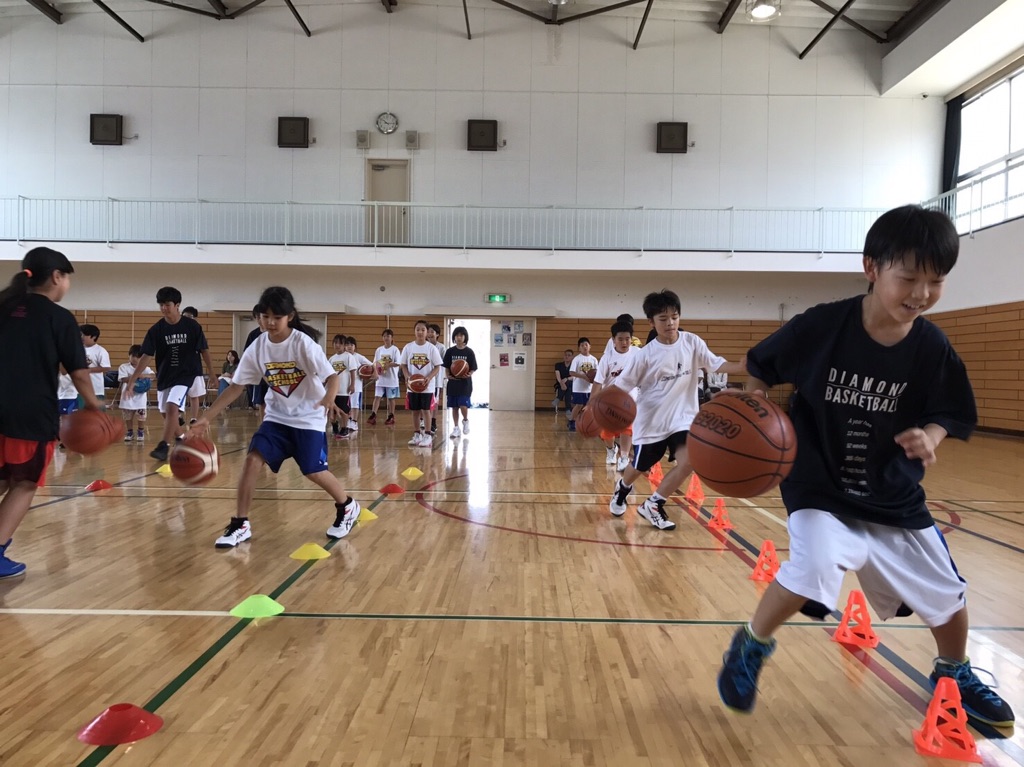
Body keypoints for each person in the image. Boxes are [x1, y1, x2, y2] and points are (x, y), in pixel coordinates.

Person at [716, 205, 1015, 728]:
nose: (922, 293)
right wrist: (756, 404)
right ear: (872, 268)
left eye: (936, 281)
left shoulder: (931, 347)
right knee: (811, 567)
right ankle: (751, 645)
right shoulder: (822, 326)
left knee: (947, 594)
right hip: (818, 484)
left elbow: (949, 410)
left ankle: (955, 671)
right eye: (909, 278)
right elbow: (761, 366)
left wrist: (931, 436)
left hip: (892, 491)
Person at [189, 286, 360, 548]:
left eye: (276, 317)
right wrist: (206, 417)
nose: (270, 322)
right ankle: (240, 523)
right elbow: (236, 386)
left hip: (308, 417)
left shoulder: (302, 343)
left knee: (313, 471)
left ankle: (347, 505)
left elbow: (331, 376)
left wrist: (329, 398)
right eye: (265, 316)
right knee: (252, 460)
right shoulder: (258, 347)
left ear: (289, 316)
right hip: (277, 418)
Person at [0, 247, 103, 579]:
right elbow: (78, 373)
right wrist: (95, 407)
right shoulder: (59, 318)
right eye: (67, 278)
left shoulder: (3, 306)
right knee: (24, 483)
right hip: (29, 413)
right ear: (57, 277)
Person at [607, 290, 745, 530]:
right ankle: (623, 487)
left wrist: (741, 366)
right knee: (639, 467)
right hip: (652, 421)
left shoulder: (692, 342)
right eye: (663, 318)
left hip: (683, 419)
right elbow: (621, 387)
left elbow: (715, 364)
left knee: (690, 462)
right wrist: (598, 408)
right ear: (651, 322)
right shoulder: (645, 356)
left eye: (674, 317)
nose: (670, 323)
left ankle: (653, 504)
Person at [126, 287, 212, 462]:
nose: (164, 308)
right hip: (166, 375)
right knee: (166, 414)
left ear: (177, 305)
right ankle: (182, 441)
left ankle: (163, 446)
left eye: (167, 304)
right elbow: (146, 356)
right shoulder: (156, 330)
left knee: (172, 407)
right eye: (161, 305)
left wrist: (212, 373)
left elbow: (204, 350)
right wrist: (132, 379)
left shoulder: (192, 326)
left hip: (186, 374)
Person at [592, 321, 638, 472]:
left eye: (627, 339)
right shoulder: (607, 358)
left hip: (629, 400)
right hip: (609, 400)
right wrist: (591, 405)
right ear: (613, 340)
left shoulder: (638, 354)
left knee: (627, 429)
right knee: (607, 433)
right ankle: (611, 449)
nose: (624, 342)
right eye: (620, 339)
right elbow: (598, 382)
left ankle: (624, 457)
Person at [400, 320, 443, 447]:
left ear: (427, 332)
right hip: (412, 386)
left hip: (427, 386)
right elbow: (403, 365)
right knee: (415, 411)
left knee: (426, 410)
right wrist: (407, 376)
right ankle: (417, 434)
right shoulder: (408, 347)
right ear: (414, 331)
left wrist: (429, 377)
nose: (420, 332)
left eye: (423, 330)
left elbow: (437, 366)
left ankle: (428, 435)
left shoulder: (431, 348)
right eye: (418, 329)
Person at [442, 326, 478, 437]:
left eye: (461, 335)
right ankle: (456, 428)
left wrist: (469, 374)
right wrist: (448, 375)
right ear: (454, 337)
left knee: (463, 405)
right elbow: (447, 366)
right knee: (454, 407)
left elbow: (473, 367)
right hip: (453, 383)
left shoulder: (469, 352)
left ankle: (465, 420)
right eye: (457, 335)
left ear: (465, 337)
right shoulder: (450, 351)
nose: (459, 337)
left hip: (465, 384)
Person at [181, 306, 213, 424]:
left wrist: (211, 371)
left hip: (194, 368)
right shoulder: (175, 330)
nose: (187, 319)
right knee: (179, 394)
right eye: (184, 317)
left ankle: (193, 418)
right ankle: (179, 415)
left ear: (194, 318)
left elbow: (204, 350)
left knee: (194, 395)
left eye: (190, 317)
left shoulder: (197, 331)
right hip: (178, 369)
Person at [118, 345, 154, 442]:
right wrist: (136, 377)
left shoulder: (145, 368)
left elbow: (153, 376)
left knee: (141, 416)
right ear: (129, 356)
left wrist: (144, 375)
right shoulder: (124, 367)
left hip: (140, 397)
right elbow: (123, 379)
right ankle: (130, 432)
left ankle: (140, 431)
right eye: (133, 356)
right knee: (128, 416)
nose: (135, 359)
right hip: (128, 396)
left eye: (138, 357)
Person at [368, 328, 400, 426]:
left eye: (388, 336)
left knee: (391, 398)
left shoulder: (395, 349)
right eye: (384, 336)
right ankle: (373, 414)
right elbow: (375, 363)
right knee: (377, 396)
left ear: (392, 338)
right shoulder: (379, 349)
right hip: (380, 378)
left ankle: (391, 415)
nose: (386, 338)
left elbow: (398, 363)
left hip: (391, 379)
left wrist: (388, 365)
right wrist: (376, 371)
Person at [327, 334, 356, 440]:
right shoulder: (332, 359)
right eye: (335, 343)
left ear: (344, 345)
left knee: (344, 411)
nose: (337, 345)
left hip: (344, 390)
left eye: (340, 343)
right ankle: (335, 427)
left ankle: (344, 428)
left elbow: (352, 371)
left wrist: (352, 384)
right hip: (333, 390)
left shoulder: (349, 357)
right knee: (332, 411)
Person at [567, 338, 598, 432]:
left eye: (586, 345)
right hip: (579, 388)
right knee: (579, 405)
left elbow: (598, 372)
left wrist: (593, 379)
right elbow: (571, 372)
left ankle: (587, 423)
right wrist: (583, 377)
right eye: (582, 345)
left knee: (589, 406)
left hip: (590, 388)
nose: (584, 347)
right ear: (579, 348)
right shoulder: (577, 359)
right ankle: (572, 421)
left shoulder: (594, 359)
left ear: (590, 346)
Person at [243, 306, 268, 415]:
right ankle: (263, 423)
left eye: (262, 317)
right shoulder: (253, 335)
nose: (259, 320)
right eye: (257, 317)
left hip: (275, 372)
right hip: (260, 374)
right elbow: (247, 355)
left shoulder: (275, 334)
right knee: (261, 402)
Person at [80, 323, 111, 403]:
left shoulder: (100, 350)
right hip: (79, 388)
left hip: (95, 388)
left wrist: (88, 370)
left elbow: (106, 367)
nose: (81, 337)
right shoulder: (77, 349)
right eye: (81, 334)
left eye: (84, 335)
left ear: (93, 336)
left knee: (96, 410)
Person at [345, 336, 371, 432]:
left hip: (356, 385)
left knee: (354, 405)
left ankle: (354, 422)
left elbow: (371, 365)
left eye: (351, 344)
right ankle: (348, 420)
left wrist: (370, 373)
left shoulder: (359, 357)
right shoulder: (343, 357)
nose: (349, 346)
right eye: (347, 344)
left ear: (355, 346)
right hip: (344, 385)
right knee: (346, 405)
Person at [427, 323, 446, 435]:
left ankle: (433, 422)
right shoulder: (424, 346)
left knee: (434, 402)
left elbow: (443, 363)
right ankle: (425, 421)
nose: (429, 334)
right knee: (425, 402)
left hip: (436, 379)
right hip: (425, 379)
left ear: (437, 334)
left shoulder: (441, 347)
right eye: (428, 331)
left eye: (432, 332)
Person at [553, 349, 574, 416]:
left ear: (572, 357)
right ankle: (568, 409)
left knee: (569, 385)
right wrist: (561, 383)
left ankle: (558, 398)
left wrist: (566, 379)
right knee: (569, 389)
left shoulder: (574, 366)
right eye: (565, 355)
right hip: (560, 384)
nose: (567, 356)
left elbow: (574, 376)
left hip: (571, 384)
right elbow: (558, 376)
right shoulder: (558, 365)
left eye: (569, 355)